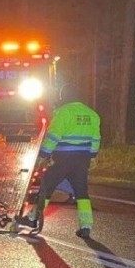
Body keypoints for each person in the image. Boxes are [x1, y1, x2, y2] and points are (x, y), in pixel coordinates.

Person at [18, 84, 101, 239]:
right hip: (82, 160)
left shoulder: (63, 113)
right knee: (82, 192)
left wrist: (43, 154)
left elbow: (53, 136)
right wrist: (93, 156)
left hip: (63, 158)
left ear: (65, 96)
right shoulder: (92, 114)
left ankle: (32, 219)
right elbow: (96, 139)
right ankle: (86, 226)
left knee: (47, 187)